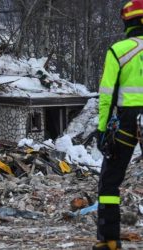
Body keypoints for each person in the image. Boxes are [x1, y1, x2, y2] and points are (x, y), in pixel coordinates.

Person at [94, 1, 143, 249]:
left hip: (127, 121)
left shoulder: (118, 51)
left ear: (127, 22)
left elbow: (106, 95)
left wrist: (102, 129)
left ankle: (110, 240)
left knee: (110, 181)